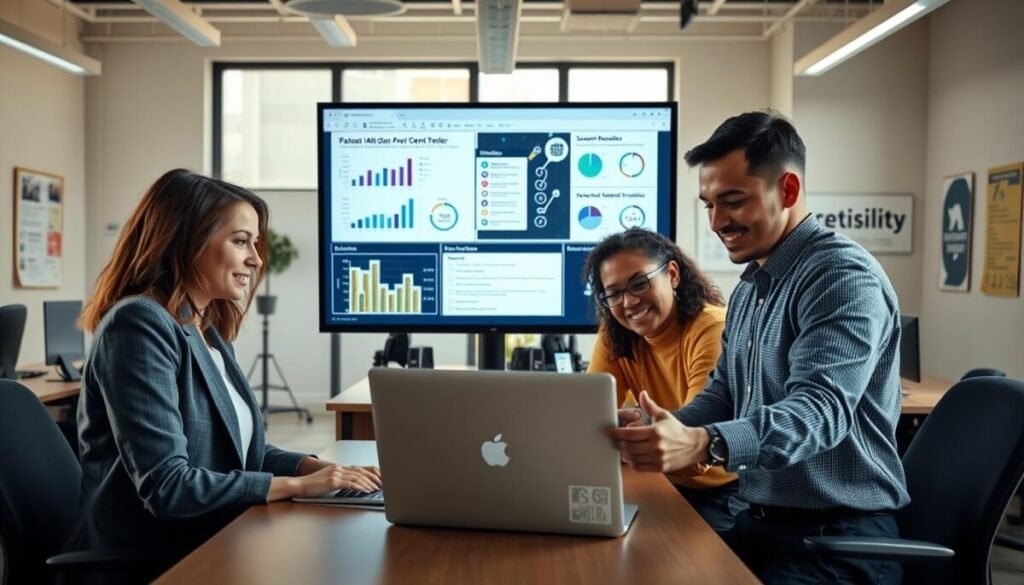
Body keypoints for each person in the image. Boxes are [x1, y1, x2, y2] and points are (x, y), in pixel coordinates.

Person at [608, 112, 909, 584]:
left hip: (837, 540)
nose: (717, 222)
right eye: (708, 205)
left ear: (787, 190)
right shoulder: (752, 286)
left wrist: (704, 443)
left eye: (733, 202)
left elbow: (819, 411)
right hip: (759, 521)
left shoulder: (842, 277)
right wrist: (659, 428)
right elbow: (724, 393)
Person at [74, 169, 381, 577]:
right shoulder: (139, 323)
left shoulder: (206, 332)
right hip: (158, 558)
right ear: (187, 241)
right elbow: (168, 487)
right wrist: (299, 487)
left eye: (255, 243)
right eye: (240, 241)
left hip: (212, 536)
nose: (256, 258)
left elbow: (246, 453)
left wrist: (320, 471)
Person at [583, 228, 745, 533]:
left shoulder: (712, 328)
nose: (629, 302)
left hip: (720, 490)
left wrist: (631, 426)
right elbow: (586, 419)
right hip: (660, 480)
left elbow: (692, 443)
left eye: (639, 283)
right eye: (614, 293)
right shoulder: (616, 334)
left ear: (672, 275)